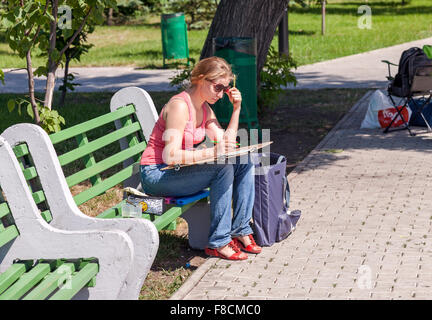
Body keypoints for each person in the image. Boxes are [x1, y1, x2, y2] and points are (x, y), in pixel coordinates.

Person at [140, 56, 261, 260]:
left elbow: (227, 142)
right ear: (201, 79)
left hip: (176, 173)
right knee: (223, 168)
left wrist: (237, 109)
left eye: (226, 88)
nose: (222, 94)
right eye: (218, 87)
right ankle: (219, 242)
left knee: (244, 161)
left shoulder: (204, 108)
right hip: (157, 174)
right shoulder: (180, 106)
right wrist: (213, 153)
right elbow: (170, 156)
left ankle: (240, 228)